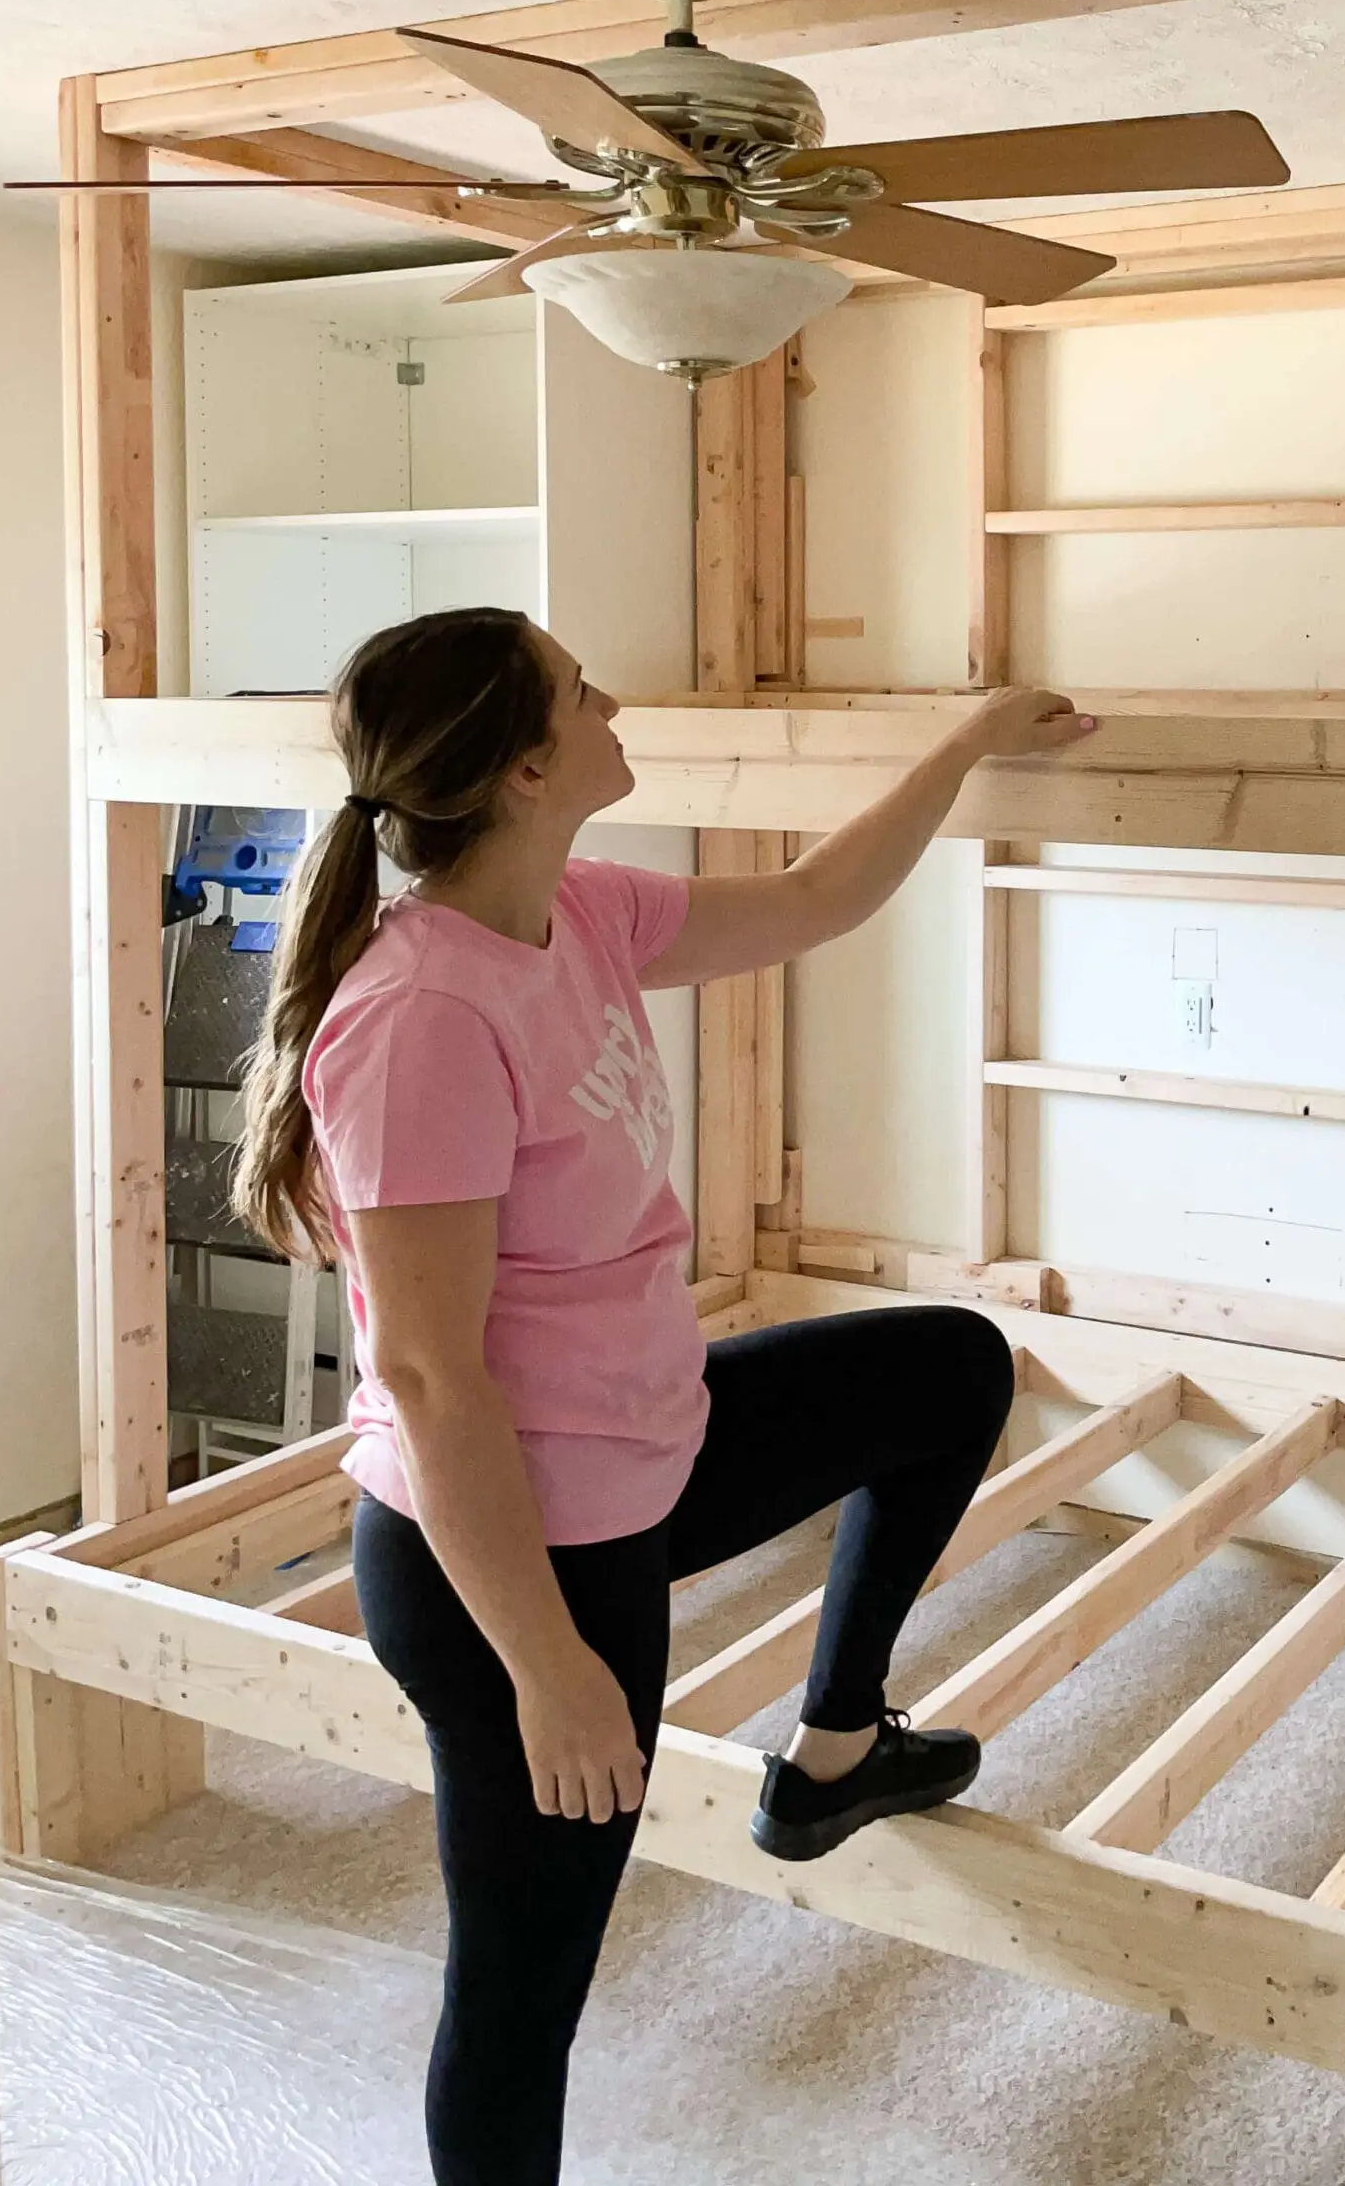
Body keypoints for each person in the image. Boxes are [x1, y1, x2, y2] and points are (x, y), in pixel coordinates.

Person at [231, 604, 1095, 2186]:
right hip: (515, 1555)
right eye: (581, 689)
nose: (613, 699)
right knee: (522, 1995)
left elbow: (816, 897)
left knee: (945, 1370)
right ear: (525, 767)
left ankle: (835, 1754)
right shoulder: (422, 1018)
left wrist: (968, 740)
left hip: (645, 1441)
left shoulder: (577, 913)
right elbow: (427, 1377)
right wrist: (548, 1668)